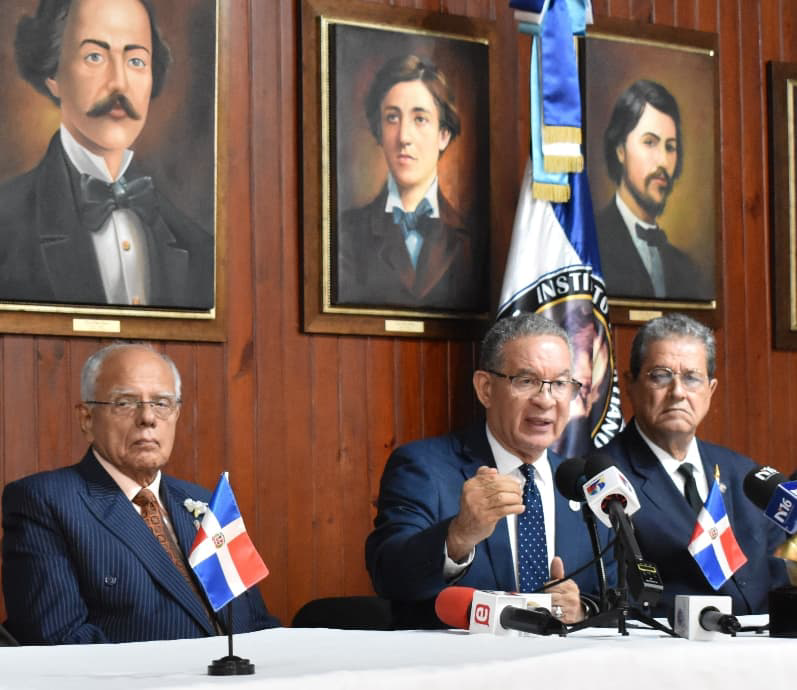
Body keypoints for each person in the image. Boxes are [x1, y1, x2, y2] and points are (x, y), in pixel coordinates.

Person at [1, 342, 279, 643]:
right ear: (87, 419)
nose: (148, 417)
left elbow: (257, 624)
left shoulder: (204, 501)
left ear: (176, 414)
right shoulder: (44, 502)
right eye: (124, 403)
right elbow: (61, 641)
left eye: (161, 403)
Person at [366, 313, 615, 628]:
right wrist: (458, 536)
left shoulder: (582, 483)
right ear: (485, 389)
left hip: (564, 658)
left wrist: (582, 609)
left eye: (560, 384)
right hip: (457, 658)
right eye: (526, 381)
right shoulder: (423, 468)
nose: (545, 400)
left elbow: (618, 596)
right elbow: (389, 576)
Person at [0, 0, 213, 309]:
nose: (119, 83)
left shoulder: (198, 246)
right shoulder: (6, 227)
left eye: (136, 61)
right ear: (53, 75)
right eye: (95, 56)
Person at [602, 313, 789, 617]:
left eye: (691, 377)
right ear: (630, 385)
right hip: (667, 643)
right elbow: (613, 592)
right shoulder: (606, 479)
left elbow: (780, 576)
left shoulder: (745, 474)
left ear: (710, 391)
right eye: (661, 375)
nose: (678, 392)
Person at [337, 54, 486, 312]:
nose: (404, 137)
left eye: (420, 119)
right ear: (379, 132)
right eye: (392, 118)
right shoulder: (346, 234)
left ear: (443, 134)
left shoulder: (475, 241)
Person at [596, 80, 710, 301]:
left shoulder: (686, 270)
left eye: (670, 147)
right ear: (620, 150)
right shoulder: (590, 247)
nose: (663, 162)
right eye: (649, 142)